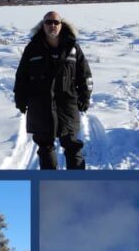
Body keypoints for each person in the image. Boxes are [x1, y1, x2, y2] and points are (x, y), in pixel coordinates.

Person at [14, 11, 92, 170]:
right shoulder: (32, 48)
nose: (52, 25)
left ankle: (78, 184)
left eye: (56, 22)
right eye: (48, 22)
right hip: (40, 105)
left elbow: (85, 76)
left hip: (67, 104)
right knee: (45, 147)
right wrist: (20, 99)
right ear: (43, 25)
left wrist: (85, 97)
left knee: (72, 145)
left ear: (61, 25)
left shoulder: (73, 48)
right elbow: (21, 77)